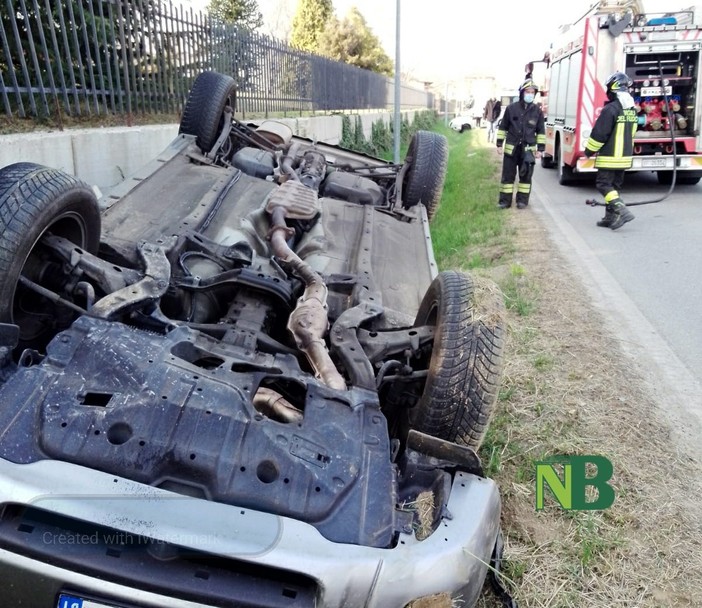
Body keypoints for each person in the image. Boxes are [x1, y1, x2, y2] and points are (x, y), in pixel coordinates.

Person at [584, 71, 638, 230]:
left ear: (612, 88)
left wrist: (588, 151)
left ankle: (622, 210)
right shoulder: (631, 109)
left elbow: (599, 134)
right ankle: (610, 217)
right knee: (614, 187)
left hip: (610, 157)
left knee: (603, 184)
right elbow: (633, 132)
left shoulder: (610, 109)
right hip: (624, 158)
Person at [496, 80, 545, 209]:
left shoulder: (537, 111)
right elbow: (503, 127)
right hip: (511, 150)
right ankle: (504, 202)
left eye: (532, 92)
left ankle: (522, 201)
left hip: (528, 151)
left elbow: (541, 131)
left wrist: (540, 149)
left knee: (526, 177)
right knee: (507, 177)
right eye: (528, 92)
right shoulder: (511, 109)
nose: (530, 94)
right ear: (522, 93)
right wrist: (499, 144)